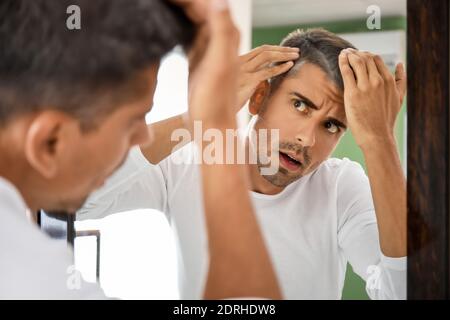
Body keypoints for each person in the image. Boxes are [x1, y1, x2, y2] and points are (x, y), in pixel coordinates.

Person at [78, 28, 407, 299]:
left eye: (331, 125)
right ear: (259, 96)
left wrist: (380, 142)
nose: (308, 139)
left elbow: (402, 293)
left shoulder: (341, 186)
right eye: (300, 105)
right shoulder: (187, 162)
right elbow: (78, 203)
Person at [0, 0, 282, 299]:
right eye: (133, 121)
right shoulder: (36, 281)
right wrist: (215, 122)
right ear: (50, 142)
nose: (145, 135)